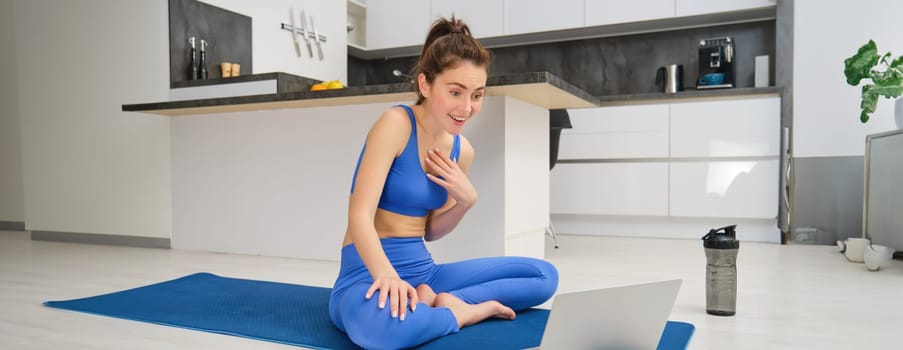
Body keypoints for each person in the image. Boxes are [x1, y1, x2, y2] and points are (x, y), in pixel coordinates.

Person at [328, 16, 559, 350]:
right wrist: (387, 276)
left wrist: (465, 202)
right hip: (366, 272)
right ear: (425, 85)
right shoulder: (396, 124)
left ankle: (436, 301)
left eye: (477, 95)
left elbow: (429, 231)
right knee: (381, 332)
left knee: (543, 277)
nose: (467, 107)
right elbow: (359, 216)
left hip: (426, 273)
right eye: (455, 92)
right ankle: (464, 313)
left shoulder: (460, 149)